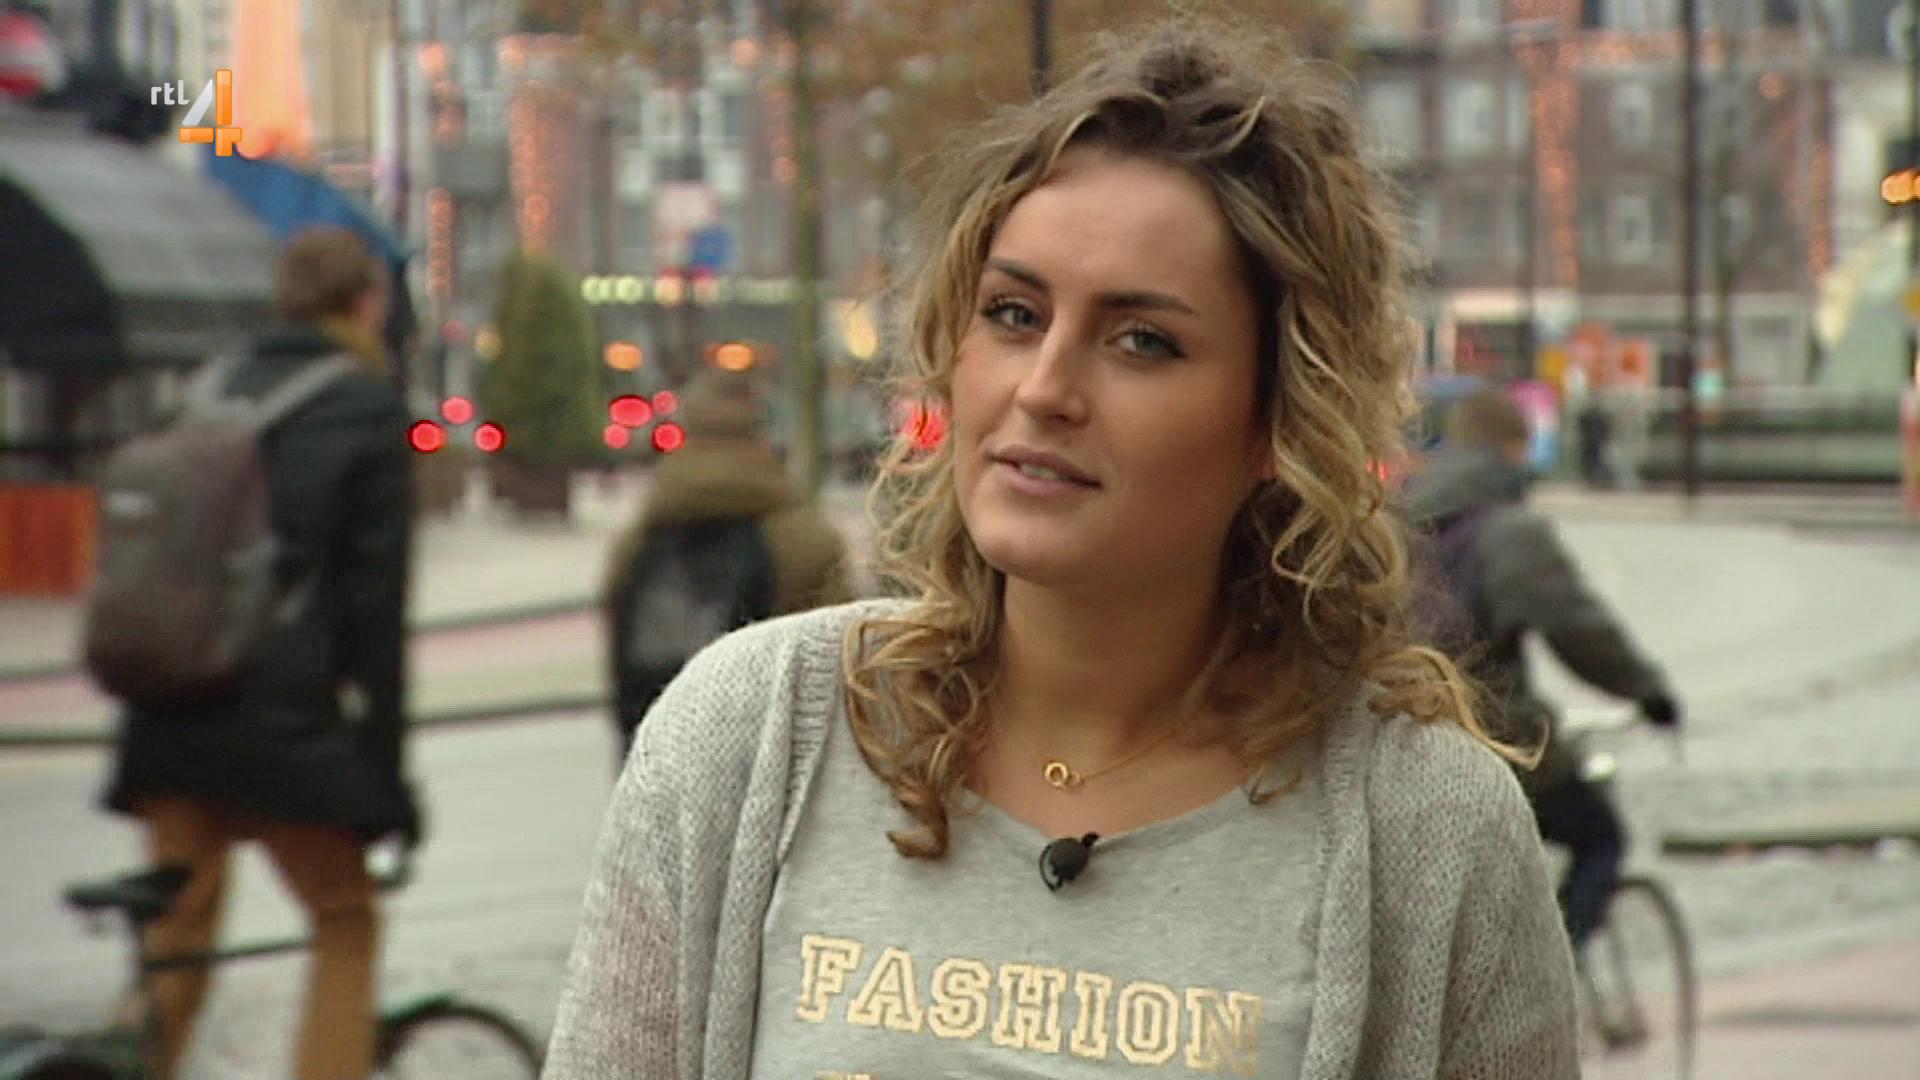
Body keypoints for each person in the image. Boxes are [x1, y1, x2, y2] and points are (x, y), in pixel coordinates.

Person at [547, 23, 1578, 1080]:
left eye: (1142, 341)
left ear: (1278, 417)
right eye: (1012, 313)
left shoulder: (1428, 834)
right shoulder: (751, 736)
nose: (1043, 388)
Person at [100, 227, 420, 1080]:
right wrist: (386, 778)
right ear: (365, 305)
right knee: (344, 920)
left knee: (175, 941)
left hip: (168, 712)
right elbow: (374, 614)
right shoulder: (365, 408)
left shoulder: (206, 390)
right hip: (282, 729)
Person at [1401, 387, 1680, 951]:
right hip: (1487, 742)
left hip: (1397, 743)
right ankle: (1559, 974)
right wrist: (1648, 693)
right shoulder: (1506, 531)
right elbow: (1577, 628)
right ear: (1513, 449)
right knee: (1600, 838)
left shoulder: (1401, 521)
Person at [601, 368, 854, 763]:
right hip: (773, 764)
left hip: (659, 756)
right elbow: (839, 667)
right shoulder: (805, 541)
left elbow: (620, 649)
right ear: (762, 433)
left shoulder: (638, 542)